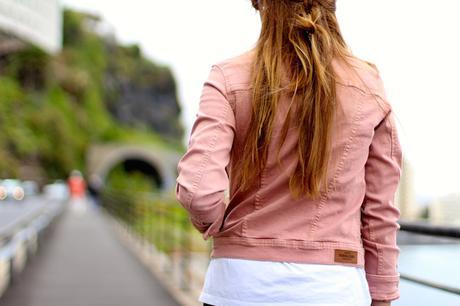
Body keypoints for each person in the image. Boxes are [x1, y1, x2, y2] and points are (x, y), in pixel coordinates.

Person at [175, 0, 403, 305]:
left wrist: (226, 230)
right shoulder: (368, 84)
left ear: (260, 5)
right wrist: (383, 294)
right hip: (334, 288)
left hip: (239, 285)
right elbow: (380, 213)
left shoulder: (227, 78)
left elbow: (198, 193)